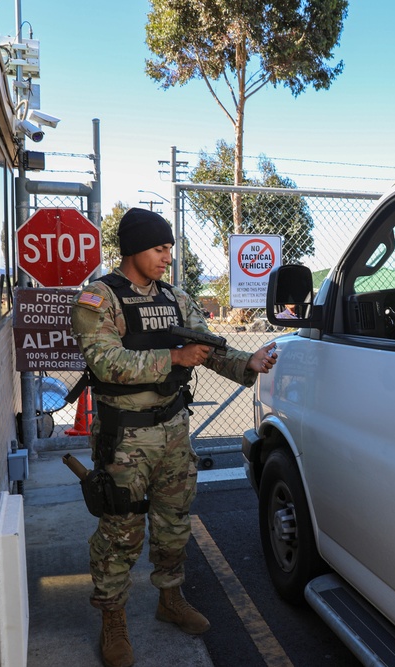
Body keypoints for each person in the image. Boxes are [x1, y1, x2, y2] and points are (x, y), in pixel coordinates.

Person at [70, 207, 277, 667]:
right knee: (120, 530)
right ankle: (113, 619)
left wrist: (247, 362)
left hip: (173, 433)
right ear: (134, 248)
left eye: (169, 248)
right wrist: (175, 358)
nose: (168, 257)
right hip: (125, 438)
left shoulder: (175, 298)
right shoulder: (97, 300)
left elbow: (205, 349)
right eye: (160, 248)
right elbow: (107, 363)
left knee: (174, 525)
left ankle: (170, 599)